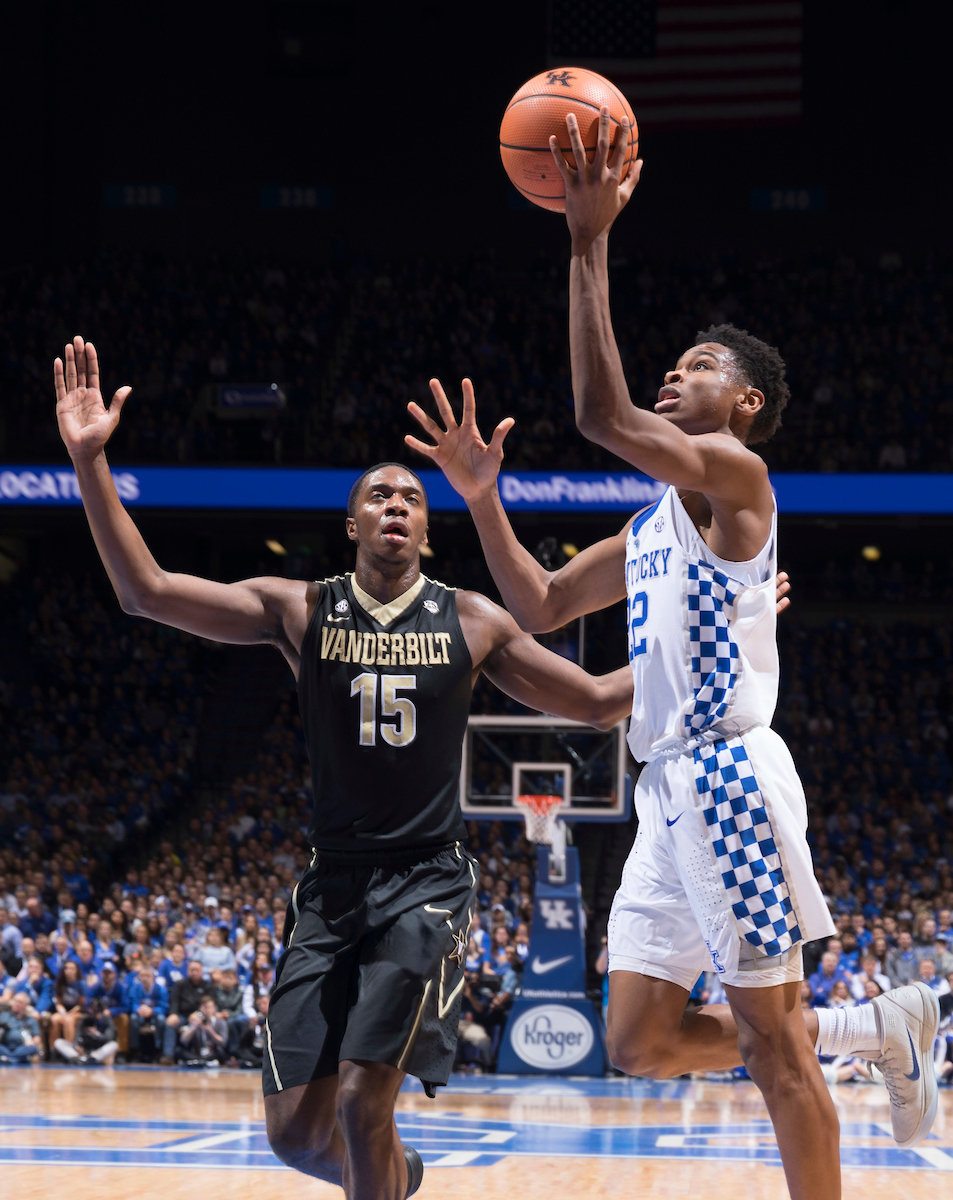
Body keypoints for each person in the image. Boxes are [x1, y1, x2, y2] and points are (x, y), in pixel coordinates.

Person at [404, 108, 939, 1195]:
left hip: (730, 775)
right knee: (638, 1039)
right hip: (667, 786)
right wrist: (482, 499)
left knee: (774, 1048)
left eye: (695, 366)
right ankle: (875, 1024)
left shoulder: (735, 477)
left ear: (740, 404)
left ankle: (844, 1048)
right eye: (674, 363)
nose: (671, 375)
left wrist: (586, 237)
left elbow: (598, 415)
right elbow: (543, 603)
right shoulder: (652, 528)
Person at [53, 336, 634, 1200]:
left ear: (427, 533)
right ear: (353, 525)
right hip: (331, 891)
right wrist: (91, 463)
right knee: (294, 1136)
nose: (396, 503)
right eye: (378, 495)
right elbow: (146, 590)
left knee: (366, 1105)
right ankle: (396, 1182)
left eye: (410, 496)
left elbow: (591, 701)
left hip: (427, 884)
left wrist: (716, 651)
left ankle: (381, 1170)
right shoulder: (297, 608)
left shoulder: (472, 620)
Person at [0, 991, 42, 1063]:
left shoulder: (31, 1020)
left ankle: (8, 1058)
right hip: (5, 1046)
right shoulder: (3, 1016)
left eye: (19, 1002)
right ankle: (15, 1059)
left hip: (22, 1048)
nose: (16, 1004)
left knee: (33, 1048)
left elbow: (37, 1037)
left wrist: (32, 1041)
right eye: (15, 1001)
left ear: (25, 1005)